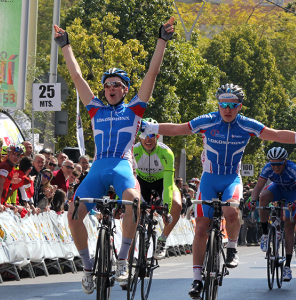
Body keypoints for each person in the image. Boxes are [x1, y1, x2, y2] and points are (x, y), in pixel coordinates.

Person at [138, 84, 296, 297]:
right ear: (218, 105)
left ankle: (232, 247)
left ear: (239, 106)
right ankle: (196, 281)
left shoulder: (246, 125)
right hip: (209, 179)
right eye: (223, 104)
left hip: (232, 178)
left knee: (231, 211)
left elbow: (277, 135)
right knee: (201, 227)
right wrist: (150, 128)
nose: (227, 109)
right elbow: (178, 129)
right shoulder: (208, 120)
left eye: (232, 105)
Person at [55, 16, 175, 294]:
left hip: (122, 166)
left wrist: (161, 42)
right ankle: (87, 266)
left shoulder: (134, 111)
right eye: (107, 85)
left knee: (133, 202)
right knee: (73, 213)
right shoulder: (95, 108)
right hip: (98, 169)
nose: (111, 88)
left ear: (125, 90)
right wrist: (65, 45)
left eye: (117, 85)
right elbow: (76, 77)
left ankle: (122, 259)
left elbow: (151, 75)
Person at [249, 148, 296, 282]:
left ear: (285, 162)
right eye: (273, 164)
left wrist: (294, 204)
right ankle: (265, 234)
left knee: (289, 227)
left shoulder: (292, 168)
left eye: (279, 164)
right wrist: (253, 200)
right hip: (278, 189)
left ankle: (287, 266)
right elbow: (258, 187)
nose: (275, 167)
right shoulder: (267, 168)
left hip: (294, 193)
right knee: (263, 197)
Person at [132, 118, 182, 260]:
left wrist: (166, 209)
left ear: (157, 136)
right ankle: (127, 259)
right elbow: (127, 179)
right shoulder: (133, 150)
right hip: (141, 183)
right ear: (139, 137)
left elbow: (167, 185)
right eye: (144, 135)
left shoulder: (166, 153)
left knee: (177, 204)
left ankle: (162, 240)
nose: (148, 139)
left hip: (162, 182)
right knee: (130, 207)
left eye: (152, 135)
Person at [0, 143, 24, 211]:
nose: (15, 157)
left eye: (18, 155)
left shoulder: (11, 167)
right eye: (13, 154)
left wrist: (5, 204)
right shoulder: (6, 166)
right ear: (8, 153)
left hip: (1, 201)